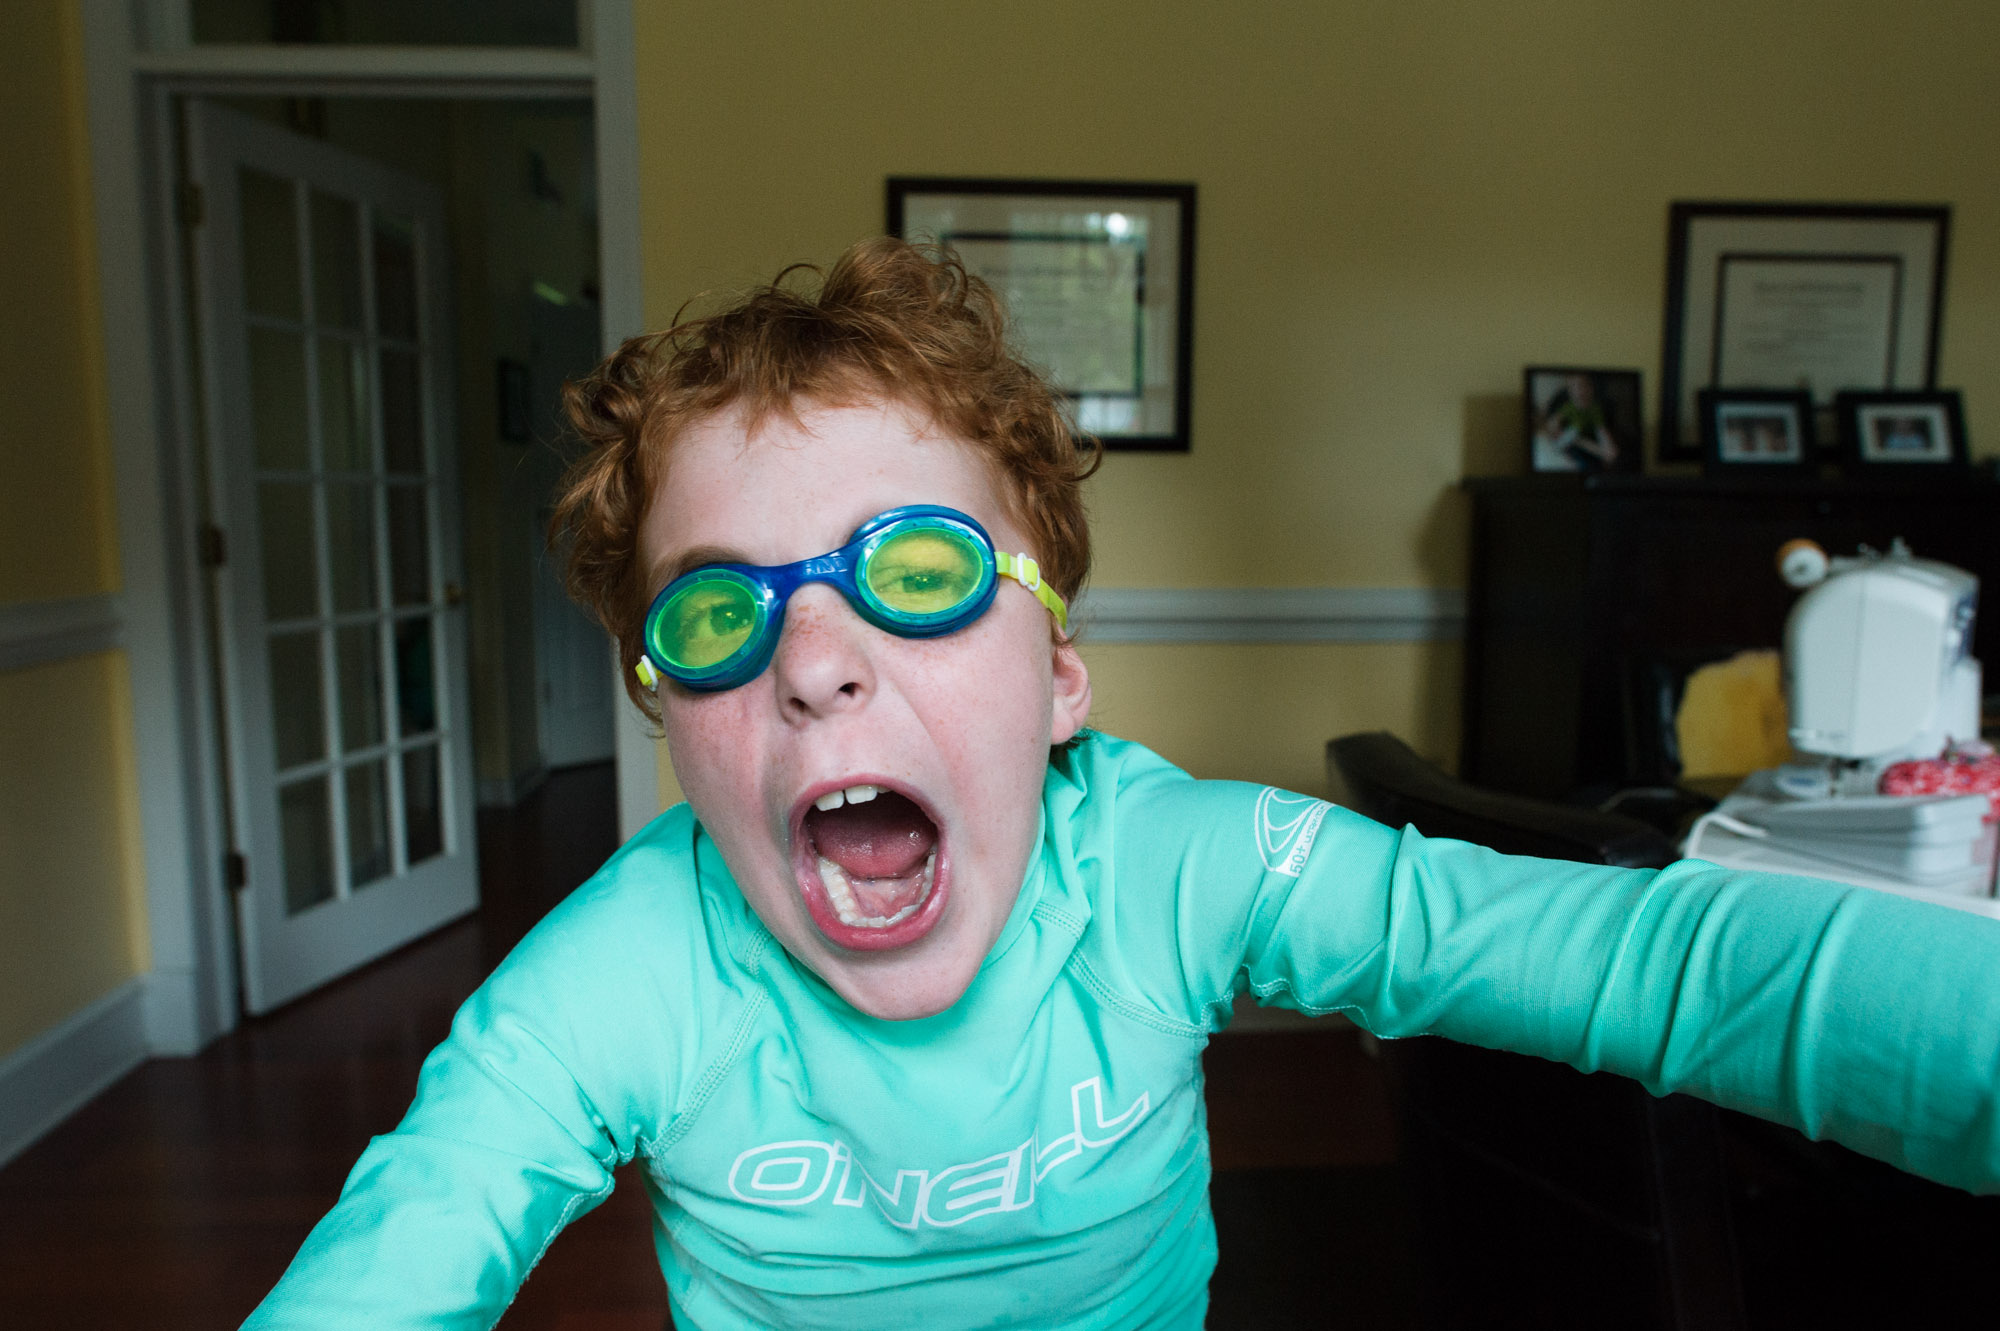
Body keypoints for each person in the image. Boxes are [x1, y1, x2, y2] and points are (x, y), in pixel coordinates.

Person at [244, 240, 2000, 1330]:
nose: (815, 658)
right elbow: (414, 1241)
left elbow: (1662, 967)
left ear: (1060, 676)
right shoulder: (613, 986)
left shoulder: (1176, 866)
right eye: (719, 612)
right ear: (669, 724)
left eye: (916, 572)